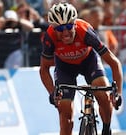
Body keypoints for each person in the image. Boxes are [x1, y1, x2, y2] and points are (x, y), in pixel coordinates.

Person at [39, 2, 123, 135]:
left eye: (68, 26)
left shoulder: (85, 31)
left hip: (89, 62)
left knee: (104, 96)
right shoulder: (49, 37)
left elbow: (114, 63)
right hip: (64, 67)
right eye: (60, 29)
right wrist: (52, 93)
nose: (65, 32)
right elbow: (44, 69)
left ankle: (106, 129)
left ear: (75, 24)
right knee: (65, 115)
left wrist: (117, 93)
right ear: (54, 29)